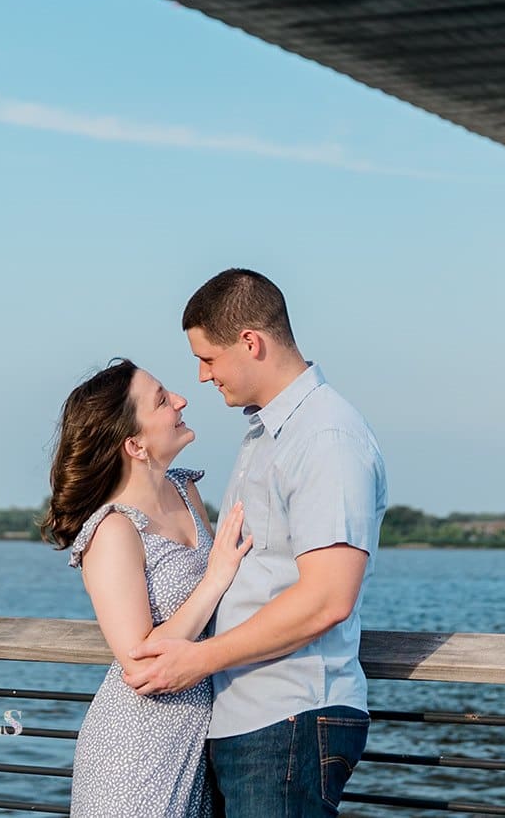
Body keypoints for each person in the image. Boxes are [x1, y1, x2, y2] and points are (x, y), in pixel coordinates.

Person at [122, 269, 389, 818]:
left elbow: (328, 598)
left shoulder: (325, 437)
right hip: (252, 719)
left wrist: (198, 661)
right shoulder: (269, 433)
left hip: (289, 716)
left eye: (209, 358)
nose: (200, 376)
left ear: (251, 343)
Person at [41, 358, 252, 818]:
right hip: (136, 753)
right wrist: (216, 577)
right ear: (135, 444)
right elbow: (139, 658)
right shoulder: (113, 531)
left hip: (198, 742)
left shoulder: (185, 490)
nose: (180, 400)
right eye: (161, 400)